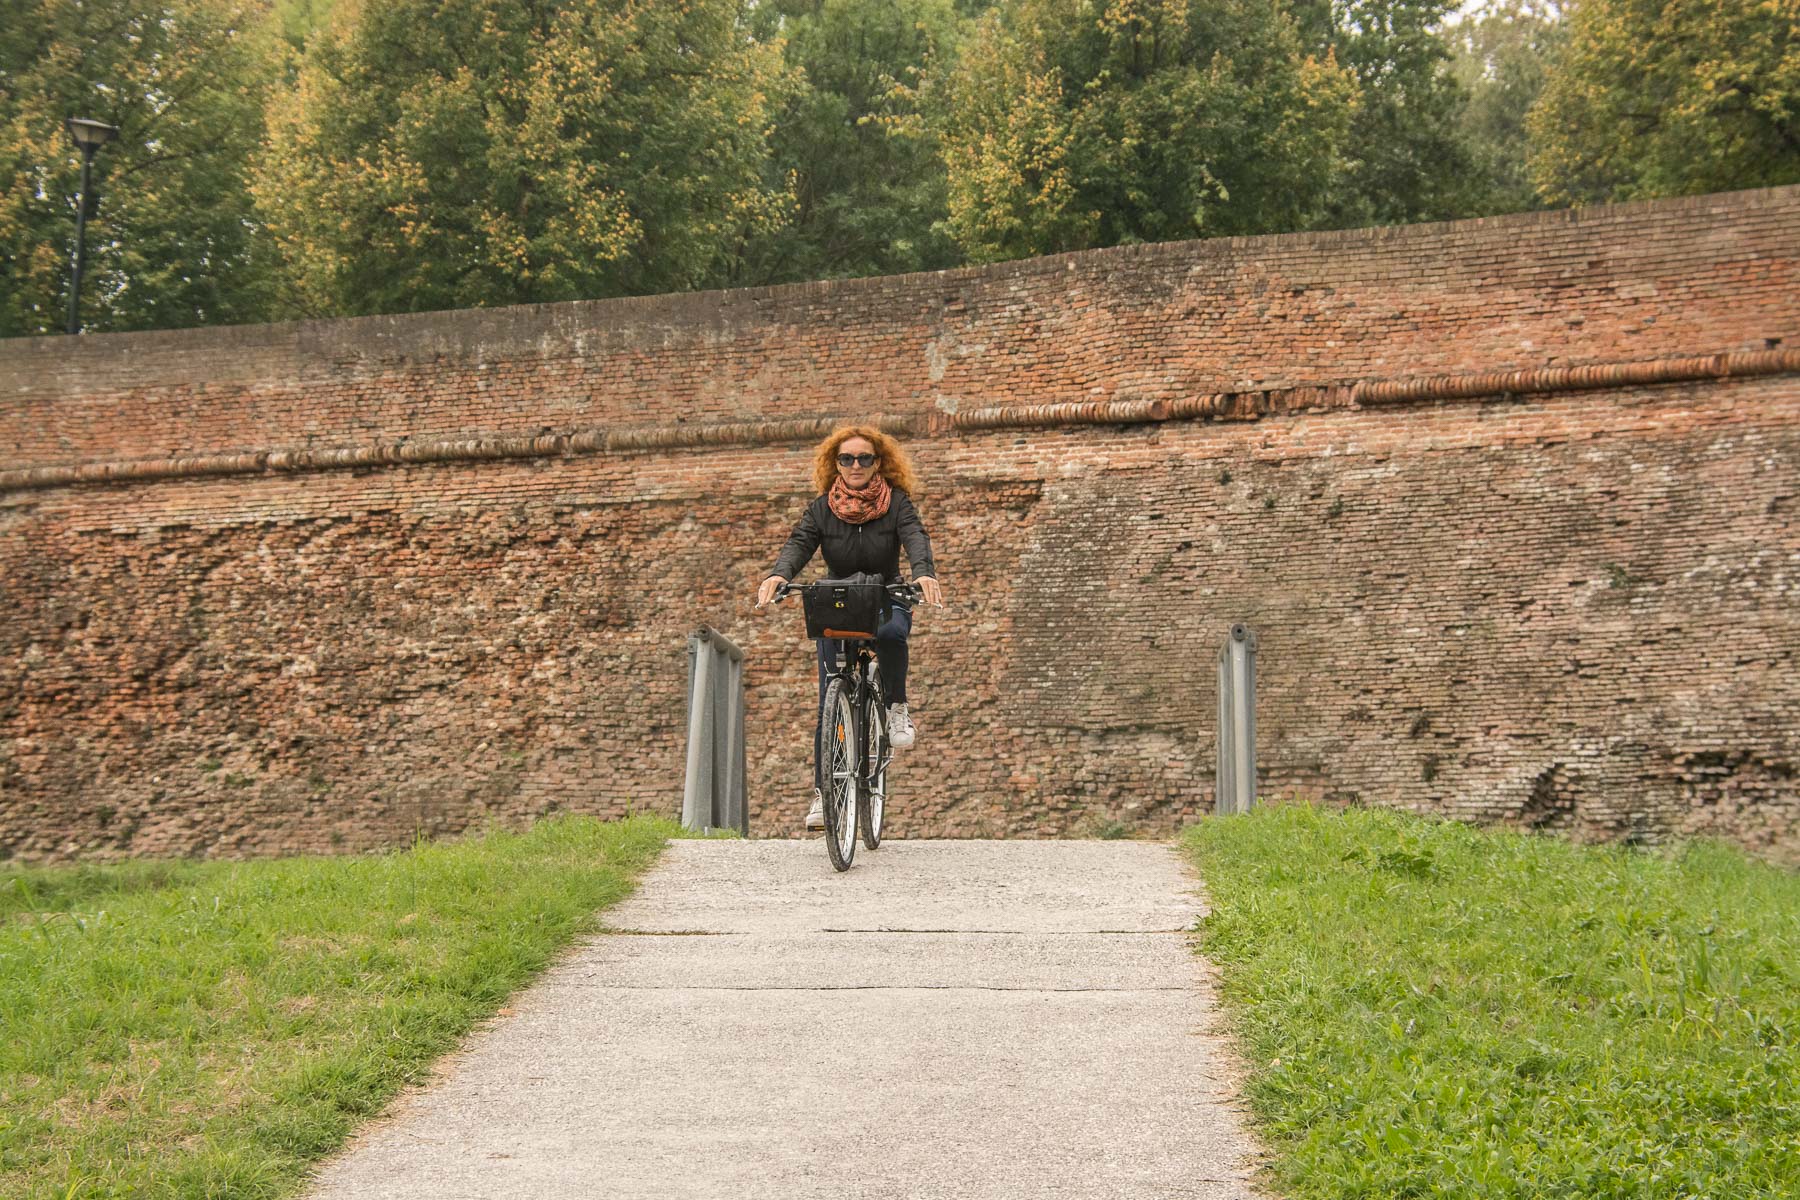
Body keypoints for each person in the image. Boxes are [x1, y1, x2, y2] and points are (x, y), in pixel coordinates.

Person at [757, 425, 945, 831]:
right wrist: (778, 574)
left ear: (879, 463)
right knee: (829, 701)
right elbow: (799, 543)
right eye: (847, 458)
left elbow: (916, 538)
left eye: (864, 458)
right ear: (835, 464)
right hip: (839, 597)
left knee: (893, 634)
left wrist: (924, 573)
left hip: (887, 592)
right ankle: (825, 794)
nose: (855, 465)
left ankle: (896, 708)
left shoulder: (897, 504)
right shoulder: (821, 509)